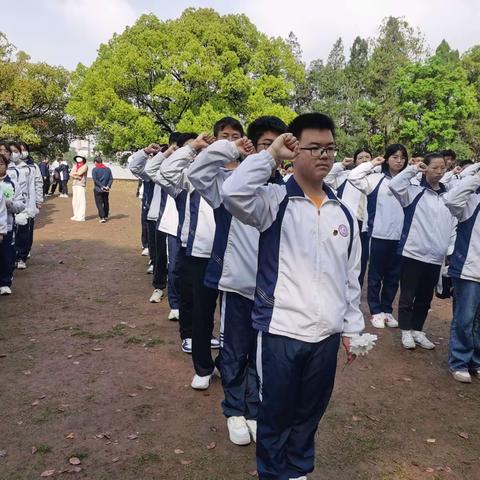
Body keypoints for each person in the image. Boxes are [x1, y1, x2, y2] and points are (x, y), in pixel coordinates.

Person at [221, 113, 363, 480]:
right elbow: (232, 192)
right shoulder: (273, 202)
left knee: (310, 413)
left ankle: (298, 471)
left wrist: (350, 328)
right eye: (313, 147)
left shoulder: (342, 211)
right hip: (282, 332)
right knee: (276, 415)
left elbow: (350, 276)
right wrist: (271, 157)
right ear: (294, 148)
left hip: (326, 336)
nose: (324, 156)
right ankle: (272, 473)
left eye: (329, 148)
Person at [188, 116, 287, 446]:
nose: (272, 152)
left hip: (274, 294)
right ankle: (234, 410)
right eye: (264, 146)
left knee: (263, 355)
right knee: (234, 351)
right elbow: (196, 173)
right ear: (253, 149)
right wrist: (228, 147)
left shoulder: (285, 191)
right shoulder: (228, 186)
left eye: (278, 145)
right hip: (237, 286)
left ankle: (254, 410)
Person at [157, 118, 243, 388]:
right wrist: (192, 147)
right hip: (201, 252)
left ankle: (229, 365)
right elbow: (164, 173)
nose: (230, 140)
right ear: (215, 139)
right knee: (202, 312)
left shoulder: (248, 172)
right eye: (224, 135)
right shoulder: (197, 173)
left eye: (235, 135)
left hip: (237, 255)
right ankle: (203, 368)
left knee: (234, 315)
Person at [389, 153, 455, 350]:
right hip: (413, 252)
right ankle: (406, 330)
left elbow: (453, 225)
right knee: (408, 294)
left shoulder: (448, 196)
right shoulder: (413, 192)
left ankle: (418, 329)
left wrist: (449, 250)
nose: (438, 171)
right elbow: (394, 185)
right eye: (434, 167)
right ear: (425, 168)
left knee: (426, 297)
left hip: (436, 256)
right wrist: (412, 169)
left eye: (442, 167)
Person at [349, 144, 408, 329]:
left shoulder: (409, 182)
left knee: (393, 277)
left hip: (400, 237)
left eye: (402, 157)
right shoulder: (374, 179)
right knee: (375, 276)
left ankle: (387, 310)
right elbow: (353, 177)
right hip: (378, 235)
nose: (399, 161)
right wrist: (372, 163)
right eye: (394, 157)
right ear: (387, 158)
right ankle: (375, 311)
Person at [444, 170, 480, 383]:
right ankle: (459, 361)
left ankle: (476, 360)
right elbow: (450, 200)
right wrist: (476, 178)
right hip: (469, 270)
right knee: (464, 319)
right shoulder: (472, 200)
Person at [325, 148, 372, 287]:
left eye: (367, 157)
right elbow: (327, 178)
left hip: (365, 226)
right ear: (355, 161)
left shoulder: (376, 177)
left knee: (360, 263)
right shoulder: (346, 175)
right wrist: (342, 164)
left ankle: (355, 297)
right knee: (342, 260)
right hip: (346, 225)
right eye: (360, 158)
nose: (364, 160)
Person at [8, 141, 42, 270]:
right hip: (10, 204)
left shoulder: (31, 168)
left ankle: (21, 256)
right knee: (12, 232)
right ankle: (13, 255)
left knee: (24, 230)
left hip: (27, 204)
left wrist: (38, 201)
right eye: (13, 151)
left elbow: (37, 184)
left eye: (19, 151)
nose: (16, 154)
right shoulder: (6, 167)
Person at [0, 153, 26, 295]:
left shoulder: (12, 183)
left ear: (6, 165)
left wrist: (10, 204)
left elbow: (21, 204)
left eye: (1, 164)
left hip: (8, 224)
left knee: (6, 254)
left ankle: (5, 282)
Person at [91, 156, 113, 223]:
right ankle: (106, 215)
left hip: (98, 189)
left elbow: (95, 180)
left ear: (95, 162)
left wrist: (101, 186)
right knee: (106, 202)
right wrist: (108, 186)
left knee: (99, 203)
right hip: (106, 189)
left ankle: (102, 217)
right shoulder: (108, 169)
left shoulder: (95, 169)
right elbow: (111, 179)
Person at [70, 156, 88, 222]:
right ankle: (76, 215)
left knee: (81, 200)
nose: (78, 158)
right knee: (75, 200)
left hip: (81, 184)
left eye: (79, 157)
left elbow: (80, 173)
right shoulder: (75, 166)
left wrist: (75, 174)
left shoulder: (85, 166)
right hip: (74, 184)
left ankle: (81, 216)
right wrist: (77, 176)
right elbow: (71, 174)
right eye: (77, 157)